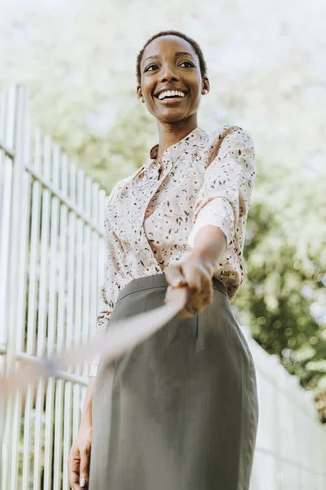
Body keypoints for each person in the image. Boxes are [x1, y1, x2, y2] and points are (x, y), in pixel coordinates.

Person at [68, 31, 258, 490]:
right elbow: (108, 305)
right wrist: (88, 416)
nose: (168, 74)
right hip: (125, 371)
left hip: (202, 345)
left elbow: (220, 204)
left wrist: (199, 260)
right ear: (141, 91)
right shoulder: (122, 196)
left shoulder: (227, 145)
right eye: (152, 67)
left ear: (204, 83)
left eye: (184, 64)